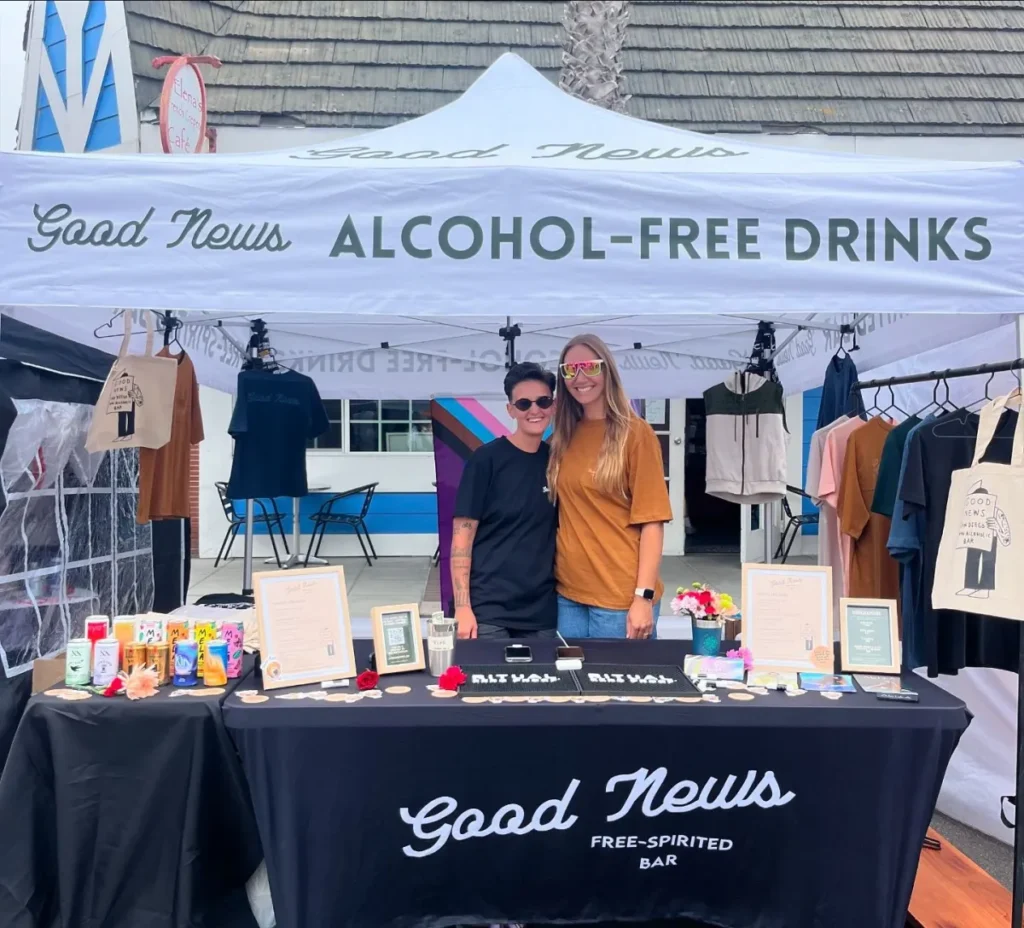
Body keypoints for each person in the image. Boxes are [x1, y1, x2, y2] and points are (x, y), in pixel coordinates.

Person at [547, 334, 672, 639]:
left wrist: (642, 597)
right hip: (568, 595)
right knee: (572, 685)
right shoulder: (563, 436)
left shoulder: (635, 434)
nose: (579, 377)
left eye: (589, 367)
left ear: (607, 370)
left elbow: (652, 522)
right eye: (569, 370)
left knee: (620, 687)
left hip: (620, 598)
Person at [452, 362, 558, 639]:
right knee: (490, 682)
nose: (534, 410)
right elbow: (462, 538)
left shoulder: (558, 462)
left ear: (553, 405)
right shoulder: (486, 460)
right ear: (511, 410)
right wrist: (463, 607)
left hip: (542, 611)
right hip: (489, 611)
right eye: (524, 403)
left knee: (547, 683)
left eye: (543, 401)